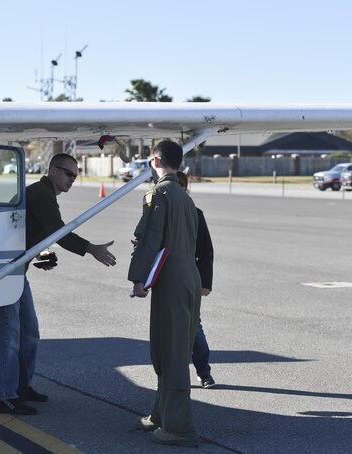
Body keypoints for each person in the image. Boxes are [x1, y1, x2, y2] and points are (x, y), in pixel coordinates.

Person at [0, 153, 116, 415]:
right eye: (69, 174)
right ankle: (3, 396)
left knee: (29, 332)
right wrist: (91, 249)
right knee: (8, 334)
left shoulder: (43, 193)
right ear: (53, 170)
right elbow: (56, 230)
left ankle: (21, 387)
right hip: (4, 272)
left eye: (76, 176)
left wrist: (42, 254)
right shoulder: (41, 193)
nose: (72, 179)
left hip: (16, 271)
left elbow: (34, 232)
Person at [129, 141, 201, 447]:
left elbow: (150, 237)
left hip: (169, 278)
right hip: (188, 277)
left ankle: (180, 428)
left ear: (156, 160)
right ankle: (161, 414)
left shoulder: (159, 193)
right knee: (170, 349)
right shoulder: (185, 197)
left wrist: (138, 278)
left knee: (169, 353)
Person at [176, 170, 216, 389]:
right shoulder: (158, 212)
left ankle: (204, 371)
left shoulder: (195, 214)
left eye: (182, 187)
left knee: (194, 330)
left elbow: (205, 250)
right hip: (165, 281)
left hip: (189, 279)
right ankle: (174, 376)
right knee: (169, 332)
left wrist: (205, 282)